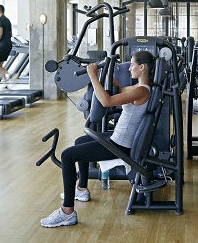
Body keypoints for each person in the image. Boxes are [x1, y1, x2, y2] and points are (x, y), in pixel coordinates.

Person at [40, 50, 156, 228]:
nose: (129, 68)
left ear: (142, 67)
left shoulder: (141, 91)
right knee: (80, 141)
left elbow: (106, 101)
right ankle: (81, 189)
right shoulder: (141, 88)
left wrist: (92, 76)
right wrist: (106, 71)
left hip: (119, 144)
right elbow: (119, 89)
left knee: (67, 155)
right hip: (120, 138)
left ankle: (67, 212)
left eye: (132, 65)